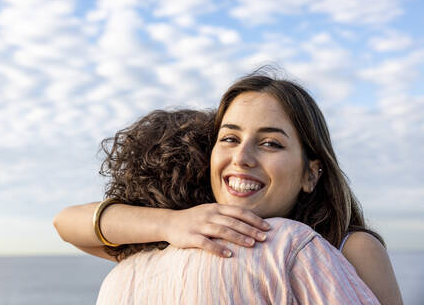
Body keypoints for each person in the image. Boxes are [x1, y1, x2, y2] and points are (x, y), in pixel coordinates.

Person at [54, 72, 402, 304]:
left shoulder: (347, 246)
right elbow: (67, 223)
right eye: (230, 138)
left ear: (311, 174)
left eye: (270, 144)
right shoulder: (191, 237)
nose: (242, 157)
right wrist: (170, 223)